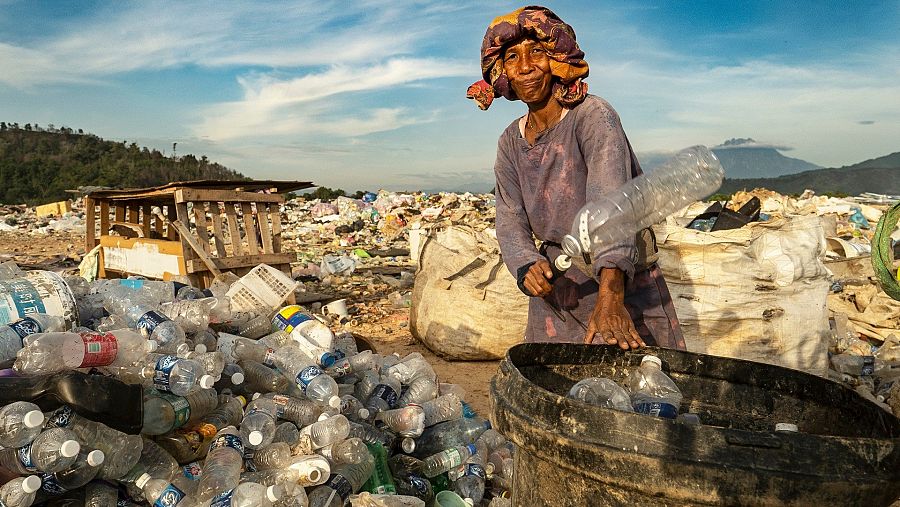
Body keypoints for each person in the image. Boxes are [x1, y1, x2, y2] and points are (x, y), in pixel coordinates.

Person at [467, 6, 685, 350]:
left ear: (556, 58)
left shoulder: (593, 117)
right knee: (559, 392)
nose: (525, 66)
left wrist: (611, 295)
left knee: (643, 391)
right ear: (502, 70)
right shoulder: (510, 142)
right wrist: (527, 265)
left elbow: (610, 205)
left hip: (620, 280)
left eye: (536, 51)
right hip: (560, 290)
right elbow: (509, 217)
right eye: (512, 57)